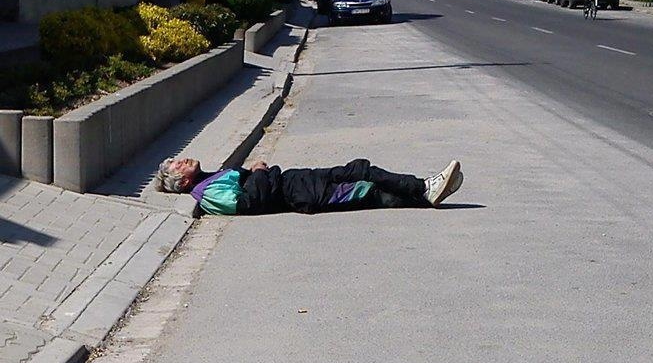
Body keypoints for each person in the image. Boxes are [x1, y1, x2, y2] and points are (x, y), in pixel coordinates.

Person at [152, 157, 464, 216]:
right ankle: (425, 188)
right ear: (183, 181)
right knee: (366, 186)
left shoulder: (208, 180)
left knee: (360, 172)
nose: (183, 160)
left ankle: (426, 191)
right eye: (177, 165)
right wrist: (257, 171)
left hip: (296, 181)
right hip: (300, 194)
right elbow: (249, 203)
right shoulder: (206, 193)